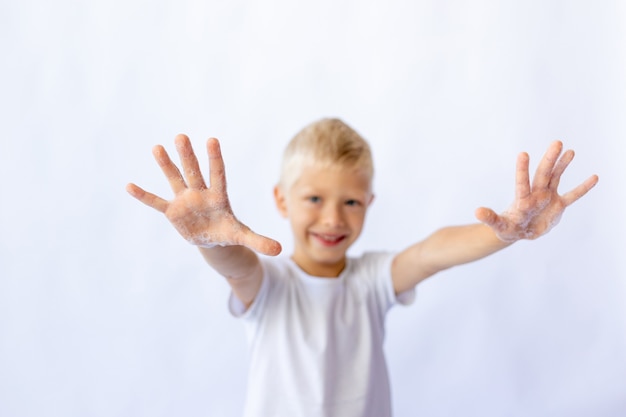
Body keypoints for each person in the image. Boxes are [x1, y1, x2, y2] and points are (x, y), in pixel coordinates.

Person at [126, 118, 598, 417]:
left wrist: (502, 232)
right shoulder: (271, 284)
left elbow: (431, 252)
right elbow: (238, 267)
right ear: (281, 200)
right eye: (314, 199)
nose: (333, 218)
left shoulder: (371, 280)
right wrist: (211, 242)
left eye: (351, 201)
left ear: (369, 203)